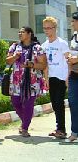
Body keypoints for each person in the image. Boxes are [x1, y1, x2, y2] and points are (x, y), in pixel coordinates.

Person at [6, 27, 47, 137]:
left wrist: (32, 65)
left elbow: (43, 65)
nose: (20, 33)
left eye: (22, 32)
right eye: (19, 32)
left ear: (29, 34)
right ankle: (25, 121)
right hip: (16, 81)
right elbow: (7, 61)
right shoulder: (14, 46)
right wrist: (15, 56)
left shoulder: (38, 48)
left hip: (32, 81)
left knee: (28, 105)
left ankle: (24, 128)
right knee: (15, 102)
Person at [42, 16, 70, 139]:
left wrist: (68, 77)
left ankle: (62, 130)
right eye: (45, 28)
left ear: (55, 28)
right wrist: (45, 78)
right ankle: (59, 127)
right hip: (51, 77)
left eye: (49, 28)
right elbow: (45, 65)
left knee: (59, 103)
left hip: (61, 77)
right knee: (54, 103)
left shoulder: (62, 43)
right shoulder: (44, 45)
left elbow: (69, 60)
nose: (47, 30)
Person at [66, 11, 78, 142]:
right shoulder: (73, 36)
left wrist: (76, 58)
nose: (72, 24)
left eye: (74, 21)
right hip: (74, 76)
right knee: (73, 104)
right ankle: (74, 132)